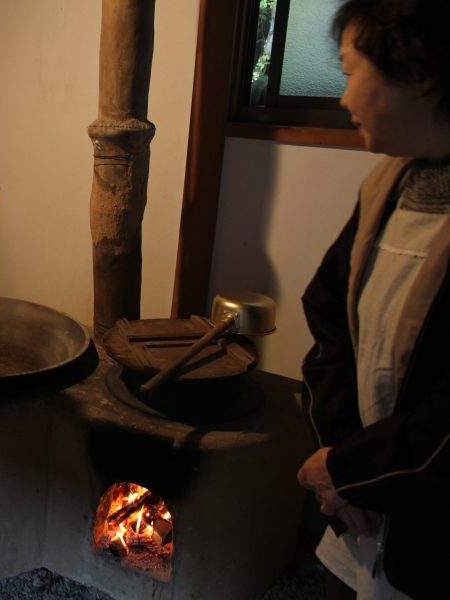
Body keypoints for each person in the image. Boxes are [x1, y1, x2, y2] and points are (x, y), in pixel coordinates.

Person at [296, 2, 450, 598]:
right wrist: (341, 464)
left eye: (349, 70)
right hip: (368, 496)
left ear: (420, 73)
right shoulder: (391, 180)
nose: (343, 96)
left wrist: (349, 470)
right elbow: (329, 313)